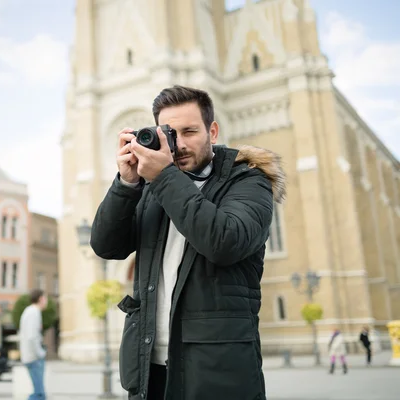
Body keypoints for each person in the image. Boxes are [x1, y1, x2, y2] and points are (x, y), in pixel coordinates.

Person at [90, 85, 286, 400]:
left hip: (216, 373)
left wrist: (165, 175)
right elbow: (106, 246)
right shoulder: (153, 185)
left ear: (213, 131)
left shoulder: (248, 180)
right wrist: (127, 183)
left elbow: (224, 242)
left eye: (190, 131)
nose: (178, 145)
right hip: (148, 370)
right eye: (170, 134)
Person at [19, 289, 48, 400]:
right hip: (34, 358)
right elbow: (32, 336)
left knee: (38, 392)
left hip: (31, 356)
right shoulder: (33, 312)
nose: (46, 301)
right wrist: (40, 353)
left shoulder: (30, 311)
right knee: (39, 394)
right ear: (40, 299)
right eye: (45, 298)